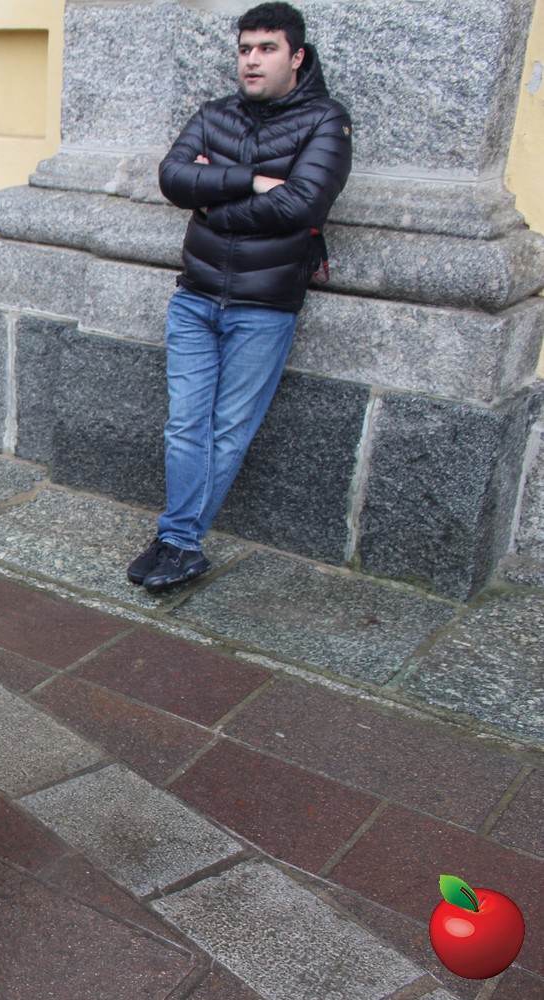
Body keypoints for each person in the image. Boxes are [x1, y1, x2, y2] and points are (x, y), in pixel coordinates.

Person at [127, 1, 351, 594]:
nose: (252, 60)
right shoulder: (214, 114)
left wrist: (211, 200)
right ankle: (180, 541)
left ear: (296, 57)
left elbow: (301, 205)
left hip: (263, 307)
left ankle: (178, 540)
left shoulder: (326, 121)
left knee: (228, 430)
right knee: (185, 426)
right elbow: (173, 178)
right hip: (195, 298)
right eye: (245, 49)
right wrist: (250, 180)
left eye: (267, 49)